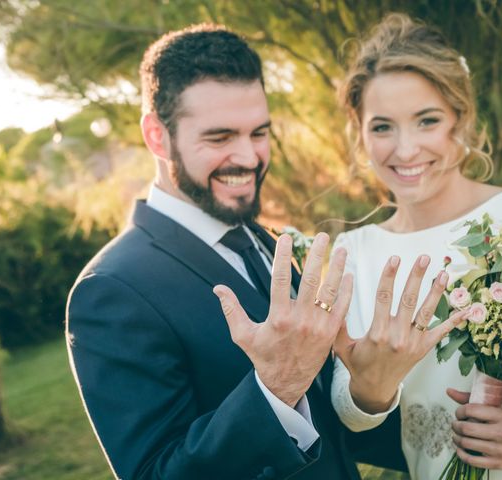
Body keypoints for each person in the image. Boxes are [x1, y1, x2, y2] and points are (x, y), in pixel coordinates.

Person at [66, 23, 463, 480]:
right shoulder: (112, 290)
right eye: (220, 137)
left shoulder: (266, 242)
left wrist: (426, 423)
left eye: (259, 133)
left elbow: (326, 427)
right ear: (157, 136)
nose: (249, 157)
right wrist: (275, 389)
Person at [330, 13, 502, 480]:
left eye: (426, 121)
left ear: (462, 118)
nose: (405, 150)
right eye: (383, 127)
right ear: (360, 133)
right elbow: (351, 411)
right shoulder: (350, 254)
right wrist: (374, 385)